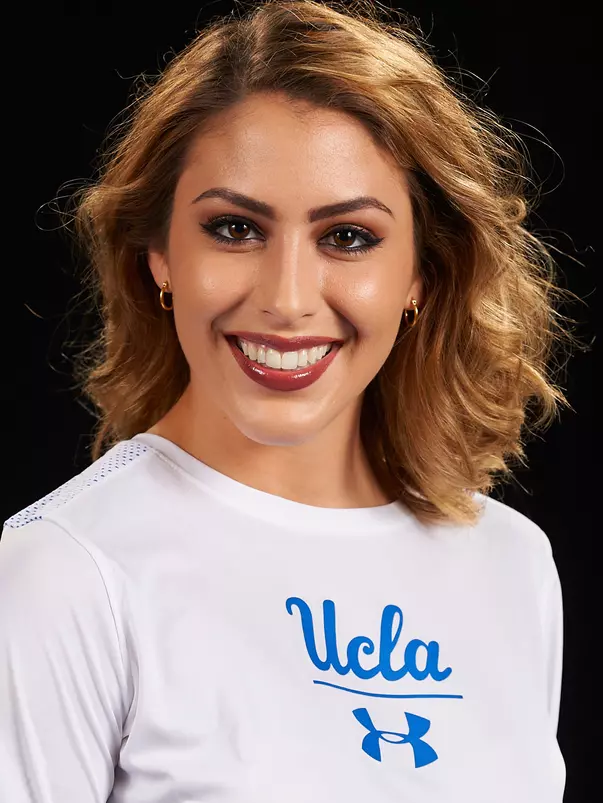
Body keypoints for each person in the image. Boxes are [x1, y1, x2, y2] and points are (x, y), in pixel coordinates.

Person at [1, 1, 569, 800]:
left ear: (420, 274)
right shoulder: (64, 574)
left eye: (347, 236)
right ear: (159, 255)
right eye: (235, 229)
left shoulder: (510, 564)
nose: (288, 298)